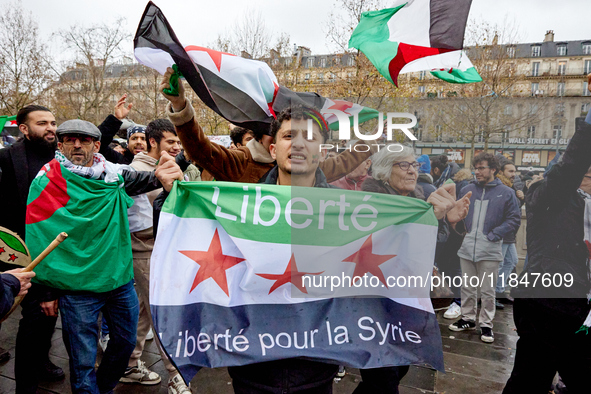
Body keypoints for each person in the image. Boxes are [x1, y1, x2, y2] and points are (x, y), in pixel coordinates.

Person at [32, 119, 183, 394]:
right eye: (70, 139)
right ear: (60, 143)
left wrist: (165, 172)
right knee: (82, 361)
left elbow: (147, 179)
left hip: (118, 280)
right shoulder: (45, 181)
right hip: (76, 288)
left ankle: (101, 388)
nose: (77, 145)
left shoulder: (113, 174)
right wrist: (46, 291)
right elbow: (40, 237)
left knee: (125, 344)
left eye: (84, 140)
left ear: (96, 144)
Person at [360, 145, 470, 393]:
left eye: (414, 165)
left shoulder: (418, 200)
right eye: (404, 165)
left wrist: (450, 222)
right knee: (383, 376)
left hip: (407, 300)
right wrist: (430, 218)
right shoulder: (370, 202)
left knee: (399, 370)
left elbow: (437, 255)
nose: (412, 171)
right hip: (376, 302)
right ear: (384, 171)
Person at [502, 107, 591, 393]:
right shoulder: (549, 195)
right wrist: (587, 127)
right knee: (530, 379)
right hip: (548, 304)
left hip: (577, 306)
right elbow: (571, 167)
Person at [159, 67, 375, 184]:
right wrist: (180, 107)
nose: (298, 144)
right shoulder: (241, 161)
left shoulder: (311, 169)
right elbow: (201, 151)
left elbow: (343, 163)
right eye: (287, 135)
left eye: (307, 137)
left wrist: (374, 139)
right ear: (268, 143)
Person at [120, 118, 192, 394]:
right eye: (170, 141)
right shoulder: (136, 171)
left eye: (178, 142)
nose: (176, 147)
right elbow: (141, 220)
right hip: (147, 250)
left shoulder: (168, 166)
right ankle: (176, 376)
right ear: (153, 142)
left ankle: (128, 364)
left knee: (143, 312)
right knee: (163, 312)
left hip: (160, 248)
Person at [0, 104, 66, 393]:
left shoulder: (62, 157)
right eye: (42, 123)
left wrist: (114, 120)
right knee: (33, 317)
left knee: (48, 315)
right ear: (24, 129)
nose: (51, 127)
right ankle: (25, 385)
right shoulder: (6, 158)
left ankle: (41, 361)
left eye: (53, 122)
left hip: (54, 249)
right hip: (17, 252)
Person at [448, 153, 521, 343]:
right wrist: (460, 229)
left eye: (481, 168)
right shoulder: (468, 188)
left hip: (489, 249)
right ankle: (467, 318)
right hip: (467, 247)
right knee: (467, 287)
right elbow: (458, 213)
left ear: (493, 169)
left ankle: (487, 324)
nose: (477, 172)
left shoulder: (506, 192)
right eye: (476, 168)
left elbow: (514, 219)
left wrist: (494, 235)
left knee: (488, 289)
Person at [494, 160, 524, 308]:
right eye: (510, 171)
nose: (514, 175)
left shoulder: (512, 188)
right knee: (498, 264)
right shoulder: (502, 188)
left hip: (509, 233)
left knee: (511, 260)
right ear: (501, 172)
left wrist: (521, 198)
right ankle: (492, 294)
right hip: (504, 232)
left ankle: (499, 291)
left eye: (514, 171)